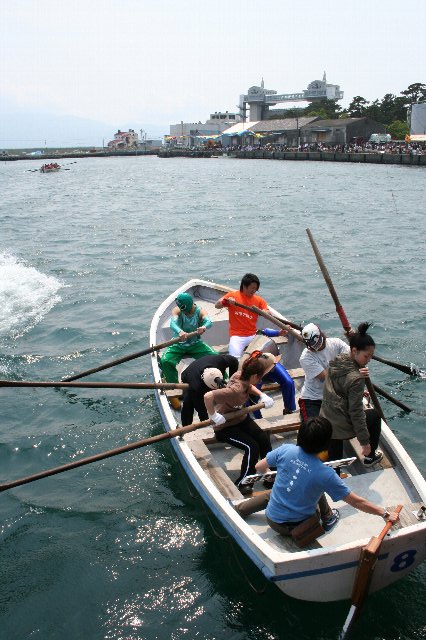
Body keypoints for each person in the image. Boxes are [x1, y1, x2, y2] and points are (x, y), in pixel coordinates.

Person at [235, 417, 400, 536]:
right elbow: (356, 501)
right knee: (318, 489)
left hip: (271, 517)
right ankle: (328, 517)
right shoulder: (325, 474)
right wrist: (384, 513)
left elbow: (258, 466)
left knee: (276, 492)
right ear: (325, 445)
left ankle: (240, 509)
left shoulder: (285, 449)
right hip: (293, 528)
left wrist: (272, 477)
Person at [204, 352, 277, 495]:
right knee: (252, 447)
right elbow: (208, 396)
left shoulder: (241, 375)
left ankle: (270, 475)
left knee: (262, 437)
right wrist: (213, 415)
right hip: (225, 427)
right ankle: (244, 481)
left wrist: (262, 395)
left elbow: (249, 387)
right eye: (260, 377)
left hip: (241, 419)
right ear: (255, 376)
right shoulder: (235, 390)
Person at [320, 322, 383, 467]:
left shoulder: (337, 362)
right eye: (366, 356)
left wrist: (358, 370)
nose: (369, 360)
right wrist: (365, 442)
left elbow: (347, 376)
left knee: (334, 463)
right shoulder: (356, 379)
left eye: (371, 356)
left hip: (326, 418)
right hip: (341, 424)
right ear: (354, 351)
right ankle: (370, 458)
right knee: (374, 416)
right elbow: (356, 412)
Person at [160, 292, 217, 409]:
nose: (183, 311)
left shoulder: (200, 311)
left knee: (215, 357)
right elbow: (173, 323)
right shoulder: (177, 310)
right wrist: (180, 332)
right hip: (178, 343)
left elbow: (208, 321)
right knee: (166, 361)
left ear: (190, 305)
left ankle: (220, 383)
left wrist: (204, 327)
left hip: (195, 344)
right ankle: (174, 388)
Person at [298, 323, 350, 423]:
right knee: (312, 428)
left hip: (335, 396)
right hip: (313, 399)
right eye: (310, 346)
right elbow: (327, 378)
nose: (312, 349)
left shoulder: (336, 343)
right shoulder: (305, 357)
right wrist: (346, 367)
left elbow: (353, 357)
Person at [215, 273, 270, 357]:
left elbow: (267, 312)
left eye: (256, 288)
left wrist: (264, 312)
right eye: (252, 288)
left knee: (265, 356)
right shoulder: (232, 295)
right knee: (233, 358)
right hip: (237, 336)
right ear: (244, 286)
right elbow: (217, 305)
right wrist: (226, 302)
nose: (254, 290)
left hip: (253, 335)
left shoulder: (259, 300)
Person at [243, 329, 296, 415]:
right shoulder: (240, 336)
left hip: (269, 362)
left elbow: (264, 331)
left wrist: (278, 332)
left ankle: (289, 409)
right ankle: (257, 419)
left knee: (288, 382)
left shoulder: (257, 332)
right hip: (256, 369)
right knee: (252, 395)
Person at [180, 353, 239, 426]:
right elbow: (200, 407)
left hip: (205, 365)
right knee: (187, 402)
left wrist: (232, 380)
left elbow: (234, 361)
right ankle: (185, 426)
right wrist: (207, 421)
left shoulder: (222, 361)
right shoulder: (197, 386)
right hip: (188, 376)